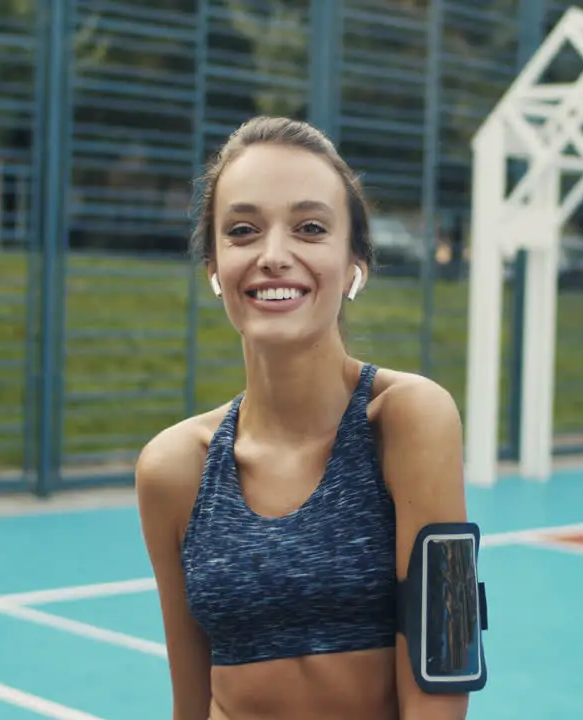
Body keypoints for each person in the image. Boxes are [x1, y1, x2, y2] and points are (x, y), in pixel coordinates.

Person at [134, 116, 481, 720]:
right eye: (242, 231)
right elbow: (188, 701)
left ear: (354, 264)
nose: (273, 256)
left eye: (310, 228)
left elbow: (444, 665)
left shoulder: (411, 419)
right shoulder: (173, 468)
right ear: (214, 266)